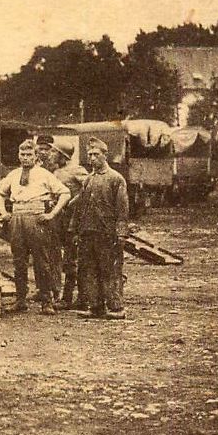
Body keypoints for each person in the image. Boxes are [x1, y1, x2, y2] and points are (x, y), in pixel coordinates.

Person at [0, 139, 70, 314]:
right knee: (18, 261)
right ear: (18, 156)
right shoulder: (13, 175)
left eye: (29, 155)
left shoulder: (44, 174)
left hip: (37, 220)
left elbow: (65, 193)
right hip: (17, 219)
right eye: (22, 154)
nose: (25, 158)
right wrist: (3, 212)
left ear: (36, 156)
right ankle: (21, 300)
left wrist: (52, 214)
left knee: (41, 262)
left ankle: (46, 302)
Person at [72, 137, 129, 320]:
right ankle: (96, 306)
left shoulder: (116, 179)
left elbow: (122, 209)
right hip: (88, 232)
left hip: (107, 233)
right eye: (89, 155)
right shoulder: (88, 180)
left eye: (96, 154)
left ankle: (116, 307)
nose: (92, 158)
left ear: (106, 155)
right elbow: (80, 206)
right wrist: (75, 230)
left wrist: (121, 234)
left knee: (110, 271)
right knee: (89, 270)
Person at [48, 140, 90, 310]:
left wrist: (71, 203)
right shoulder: (56, 172)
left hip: (75, 221)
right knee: (66, 261)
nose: (50, 155)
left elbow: (89, 188)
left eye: (53, 152)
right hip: (60, 221)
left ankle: (79, 298)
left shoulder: (76, 170)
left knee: (74, 259)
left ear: (62, 155)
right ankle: (67, 297)